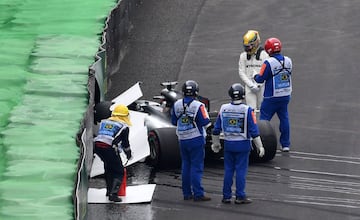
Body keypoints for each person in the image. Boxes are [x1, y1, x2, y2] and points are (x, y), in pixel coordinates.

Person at [211, 83, 265, 204]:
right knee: (241, 171)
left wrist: (216, 143)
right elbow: (254, 130)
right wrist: (260, 146)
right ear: (243, 95)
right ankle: (240, 196)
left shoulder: (223, 108)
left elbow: (216, 129)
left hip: (228, 144)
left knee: (228, 170)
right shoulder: (247, 110)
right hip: (243, 145)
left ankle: (226, 196)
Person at [171, 80, 212, 202]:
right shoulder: (199, 105)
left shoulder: (177, 104)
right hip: (196, 139)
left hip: (182, 139)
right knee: (196, 167)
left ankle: (187, 193)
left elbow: (173, 121)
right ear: (196, 92)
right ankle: (198, 193)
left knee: (186, 165)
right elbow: (206, 122)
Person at [253, 37, 293, 152]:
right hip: (285, 95)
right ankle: (285, 144)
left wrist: (254, 76)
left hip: (271, 96)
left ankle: (261, 143)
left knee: (264, 121)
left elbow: (260, 79)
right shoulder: (288, 60)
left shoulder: (268, 63)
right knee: (284, 118)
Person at [94, 104, 133, 202]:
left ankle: (108, 191)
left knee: (108, 167)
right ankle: (113, 194)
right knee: (118, 170)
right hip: (109, 147)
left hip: (97, 146)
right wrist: (128, 154)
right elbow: (125, 143)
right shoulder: (123, 127)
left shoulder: (105, 121)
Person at [238, 30, 269, 112]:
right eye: (246, 46)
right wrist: (251, 85)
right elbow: (241, 72)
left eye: (249, 46)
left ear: (255, 43)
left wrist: (258, 85)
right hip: (249, 87)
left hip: (262, 87)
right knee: (251, 111)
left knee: (263, 110)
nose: (247, 49)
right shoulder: (243, 56)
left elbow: (267, 72)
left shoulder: (265, 55)